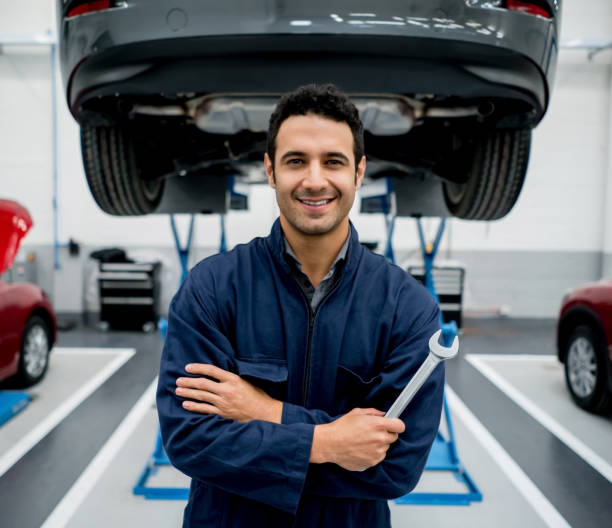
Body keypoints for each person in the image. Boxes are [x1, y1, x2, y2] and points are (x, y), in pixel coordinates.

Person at [156, 84, 445, 527]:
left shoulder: (408, 307)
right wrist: (327, 441)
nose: (314, 180)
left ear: (359, 172)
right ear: (270, 170)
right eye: (296, 161)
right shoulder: (211, 288)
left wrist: (263, 412)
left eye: (333, 161)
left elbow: (394, 467)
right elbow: (191, 439)